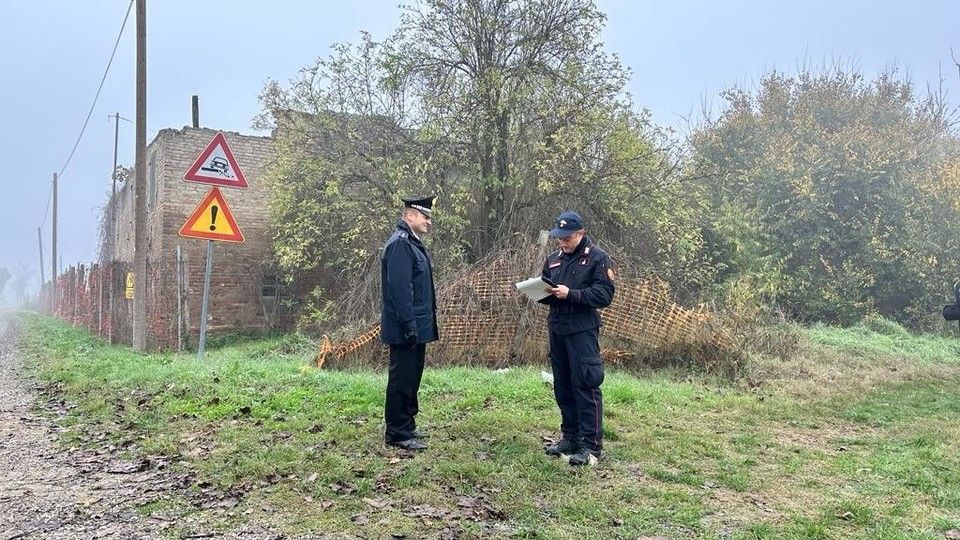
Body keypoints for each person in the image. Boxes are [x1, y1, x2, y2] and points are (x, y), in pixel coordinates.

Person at [538, 210, 615, 466]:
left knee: (585, 384)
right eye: (559, 238)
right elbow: (547, 288)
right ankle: (570, 437)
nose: (562, 242)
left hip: (582, 330)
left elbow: (604, 295)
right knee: (563, 386)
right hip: (557, 328)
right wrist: (540, 292)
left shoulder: (597, 258)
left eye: (567, 238)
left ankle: (591, 447)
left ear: (581, 233)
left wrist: (572, 294)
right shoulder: (553, 259)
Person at [380, 195, 439, 451]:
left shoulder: (413, 244)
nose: (428, 221)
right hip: (406, 327)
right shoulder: (400, 245)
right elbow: (401, 291)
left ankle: (407, 425)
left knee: (412, 377)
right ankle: (397, 433)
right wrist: (409, 325)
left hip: (417, 325)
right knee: (401, 379)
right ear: (410, 215)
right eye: (425, 216)